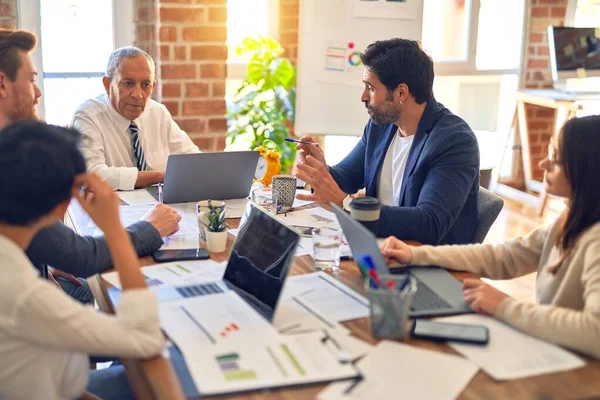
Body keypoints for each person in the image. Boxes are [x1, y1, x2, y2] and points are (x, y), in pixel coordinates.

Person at [380, 115, 600, 360]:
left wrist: (503, 305)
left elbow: (595, 331)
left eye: (557, 160)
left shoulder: (596, 239)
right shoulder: (568, 221)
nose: (544, 164)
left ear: (587, 170)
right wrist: (416, 254)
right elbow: (504, 257)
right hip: (556, 351)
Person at [0, 28, 181, 303]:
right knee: (156, 302)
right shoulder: (9, 167)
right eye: (31, 79)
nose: (38, 93)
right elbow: (85, 256)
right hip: (20, 322)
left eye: (146, 85)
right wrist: (152, 228)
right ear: (2, 84)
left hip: (35, 281)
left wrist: (43, 261)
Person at [0, 121, 165, 400]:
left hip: (49, 376)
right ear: (63, 204)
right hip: (59, 384)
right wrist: (113, 228)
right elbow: (146, 339)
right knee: (153, 377)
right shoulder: (23, 294)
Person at [294, 38, 479, 245]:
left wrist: (346, 205)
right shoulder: (382, 126)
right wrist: (319, 168)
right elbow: (347, 176)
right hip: (377, 248)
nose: (363, 97)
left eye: (370, 88)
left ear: (401, 92)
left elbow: (429, 223)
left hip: (426, 261)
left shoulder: (454, 141)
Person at [73, 46, 200, 191]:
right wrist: (158, 176)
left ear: (153, 87)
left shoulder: (158, 112)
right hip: (112, 210)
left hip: (160, 207)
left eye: (145, 85)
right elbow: (91, 177)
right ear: (107, 85)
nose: (138, 94)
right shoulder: (88, 115)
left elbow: (193, 161)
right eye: (128, 83)